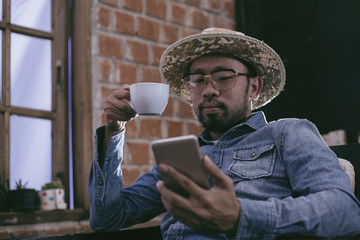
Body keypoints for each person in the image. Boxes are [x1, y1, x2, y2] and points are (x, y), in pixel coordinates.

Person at [88, 28, 360, 239]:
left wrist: (240, 217)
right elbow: (107, 219)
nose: (208, 90)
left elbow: (345, 211)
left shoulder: (287, 133)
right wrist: (114, 131)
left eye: (224, 76)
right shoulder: (182, 157)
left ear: (254, 87)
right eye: (197, 80)